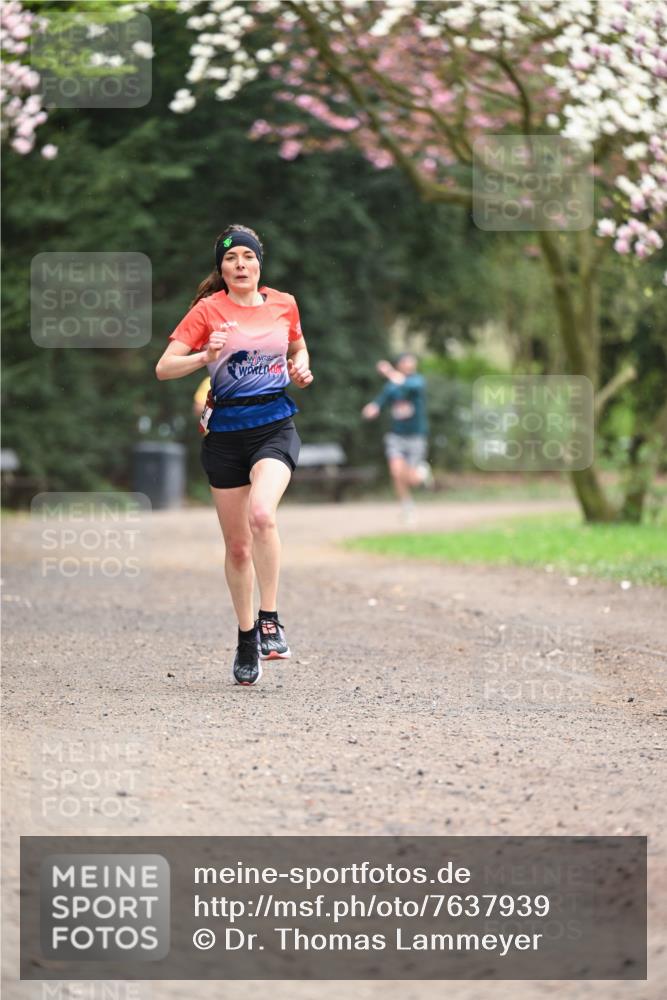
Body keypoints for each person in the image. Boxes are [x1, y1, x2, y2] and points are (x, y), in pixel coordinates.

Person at [156, 224, 313, 686]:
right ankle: (247, 638)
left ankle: (270, 620)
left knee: (262, 515)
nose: (240, 264)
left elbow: (298, 345)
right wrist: (205, 355)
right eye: (231, 258)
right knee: (238, 547)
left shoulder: (283, 303)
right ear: (221, 268)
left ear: (259, 262)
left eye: (248, 256)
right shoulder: (208, 310)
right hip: (225, 434)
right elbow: (164, 368)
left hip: (274, 427)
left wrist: (301, 366)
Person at [361, 353, 432, 524]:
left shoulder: (417, 382)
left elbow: (403, 382)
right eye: (406, 362)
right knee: (395, 472)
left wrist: (388, 371)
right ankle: (407, 507)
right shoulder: (391, 387)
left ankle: (423, 472)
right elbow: (381, 401)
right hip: (396, 436)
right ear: (400, 364)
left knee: (412, 479)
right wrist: (373, 408)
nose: (410, 365)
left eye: (412, 363)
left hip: (415, 437)